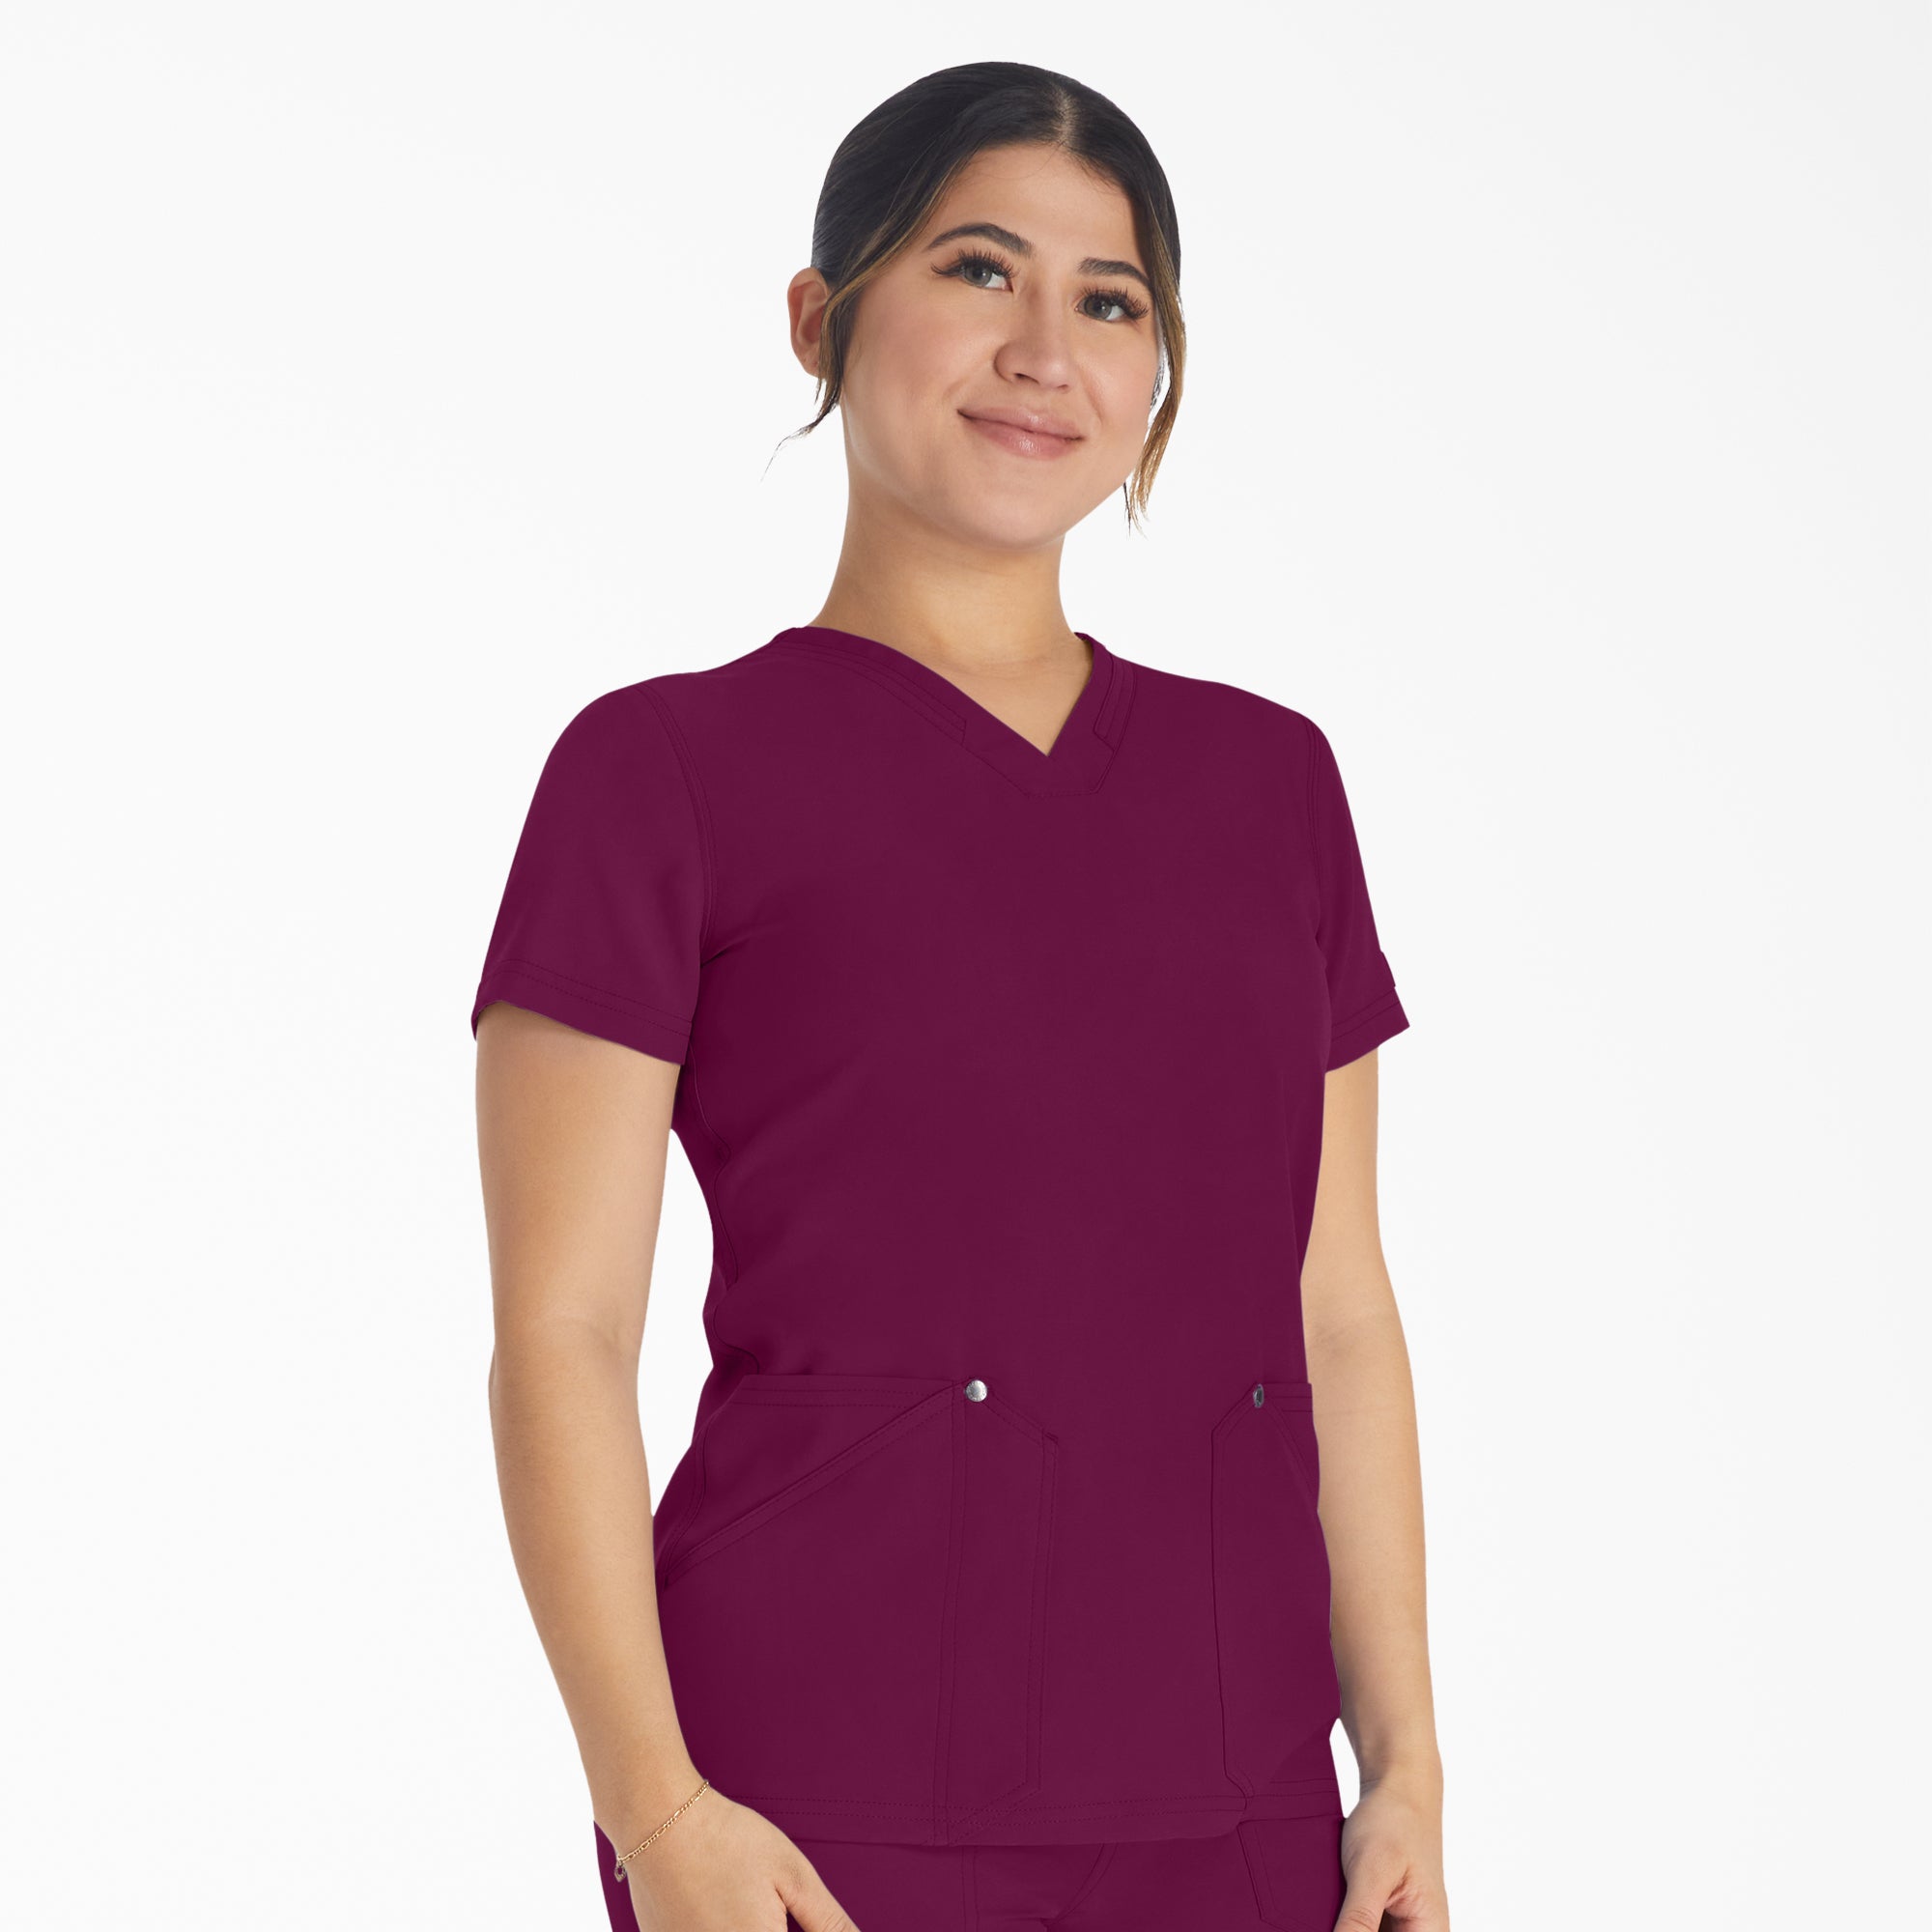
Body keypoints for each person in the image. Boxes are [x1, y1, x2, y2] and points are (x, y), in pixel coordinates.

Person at [469, 59, 1450, 1932]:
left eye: (1111, 301)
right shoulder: (660, 774)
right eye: (978, 269)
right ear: (819, 317)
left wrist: (1402, 1761)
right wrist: (658, 1811)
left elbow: (1338, 1312)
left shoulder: (1270, 785)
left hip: (1244, 1793)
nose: (1045, 352)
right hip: (802, 1801)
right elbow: (562, 1335)